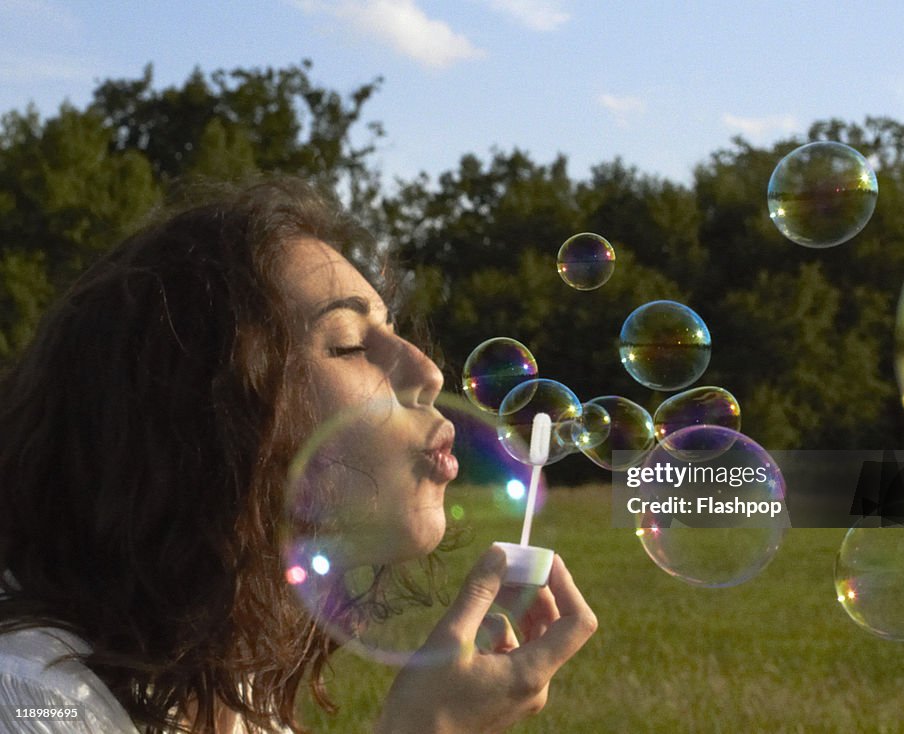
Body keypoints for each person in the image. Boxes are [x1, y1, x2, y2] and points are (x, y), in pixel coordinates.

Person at [0, 178, 597, 733]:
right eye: (350, 344)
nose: (426, 369)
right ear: (210, 414)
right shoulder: (28, 694)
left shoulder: (233, 687)